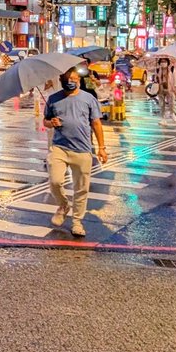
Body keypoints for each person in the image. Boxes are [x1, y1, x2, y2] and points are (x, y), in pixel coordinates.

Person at [43, 68, 108, 237]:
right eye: (67, 78)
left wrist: (101, 148)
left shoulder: (88, 99)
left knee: (81, 189)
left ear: (79, 79)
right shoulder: (53, 99)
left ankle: (77, 222)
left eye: (74, 78)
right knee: (56, 181)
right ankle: (64, 205)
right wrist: (51, 122)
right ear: (61, 79)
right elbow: (46, 120)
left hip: (82, 150)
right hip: (59, 147)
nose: (71, 81)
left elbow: (96, 124)